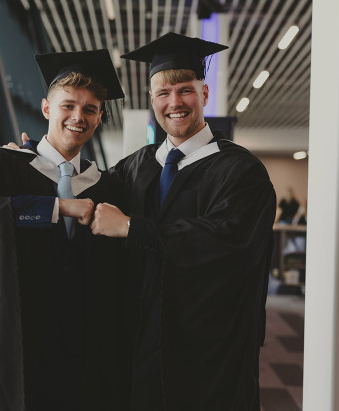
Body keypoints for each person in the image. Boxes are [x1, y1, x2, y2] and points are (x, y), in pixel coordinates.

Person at [88, 33, 277, 410]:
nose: (174, 102)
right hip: (141, 345)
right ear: (152, 100)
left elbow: (226, 242)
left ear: (204, 94)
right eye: (163, 93)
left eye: (184, 90)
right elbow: (83, 194)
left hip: (208, 353)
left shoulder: (240, 172)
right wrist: (28, 163)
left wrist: (132, 227)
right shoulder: (135, 167)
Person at [0, 49, 126, 411]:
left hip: (84, 346)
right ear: (46, 108)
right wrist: (56, 207)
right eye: (68, 105)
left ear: (99, 117)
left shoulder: (107, 186)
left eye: (90, 109)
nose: (78, 116)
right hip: (14, 339)